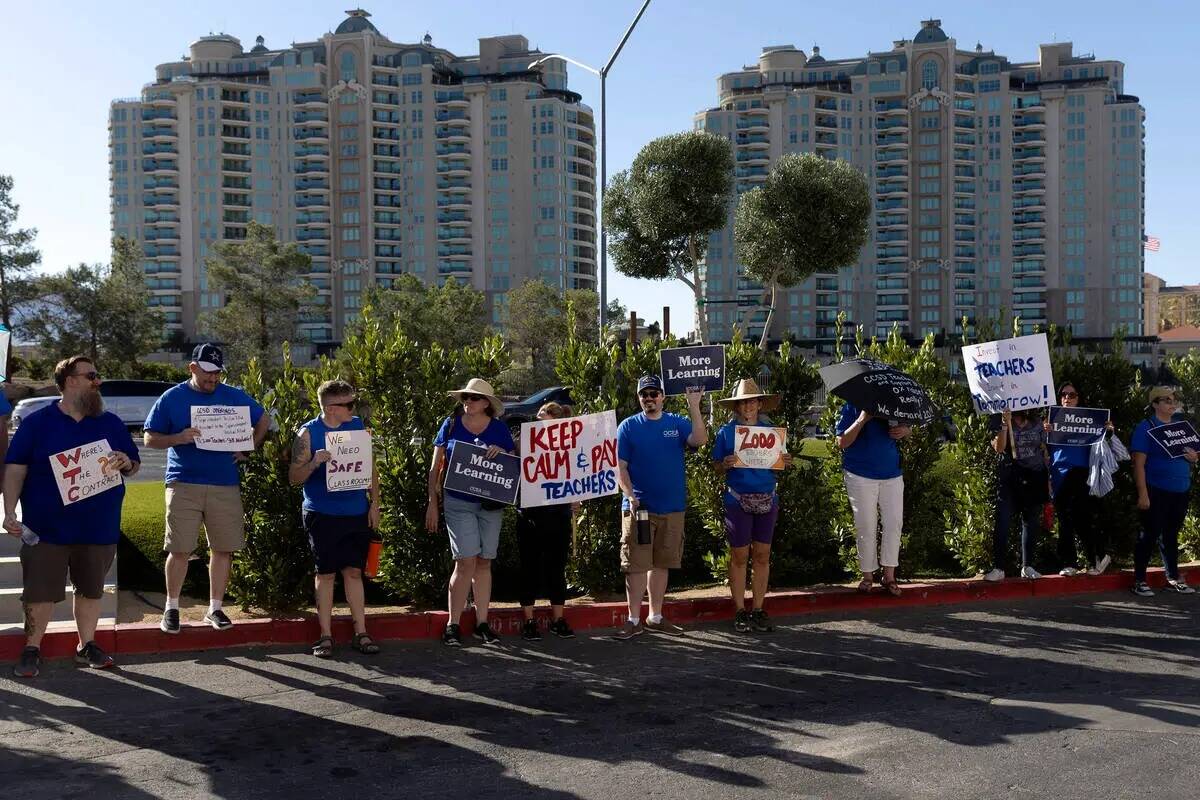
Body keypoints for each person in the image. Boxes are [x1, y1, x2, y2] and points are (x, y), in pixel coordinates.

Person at [5, 356, 140, 677]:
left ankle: (87, 645)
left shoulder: (110, 423)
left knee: (91, 589)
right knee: (39, 592)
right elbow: (15, 468)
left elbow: (133, 464)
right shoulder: (37, 423)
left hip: (99, 527)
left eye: (97, 376)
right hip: (46, 528)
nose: (98, 382)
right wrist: (10, 510)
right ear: (70, 381)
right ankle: (32, 647)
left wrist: (125, 461)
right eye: (91, 376)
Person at [143, 343, 270, 634]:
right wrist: (179, 437)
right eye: (208, 373)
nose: (213, 380)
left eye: (217, 374)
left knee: (223, 549)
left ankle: (215, 608)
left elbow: (263, 419)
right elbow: (150, 438)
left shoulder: (234, 396)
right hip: (183, 482)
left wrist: (248, 449)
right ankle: (171, 609)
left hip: (224, 483)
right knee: (179, 549)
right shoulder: (172, 398)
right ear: (193, 368)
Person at [288, 380, 381, 658]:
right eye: (348, 404)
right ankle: (325, 636)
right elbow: (294, 477)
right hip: (322, 514)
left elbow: (370, 467)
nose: (354, 408)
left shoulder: (356, 428)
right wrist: (314, 461)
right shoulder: (308, 434)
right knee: (325, 574)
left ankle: (360, 632)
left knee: (354, 572)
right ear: (331, 408)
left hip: (355, 512)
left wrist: (375, 503)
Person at [613, 375, 707, 640]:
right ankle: (633, 620)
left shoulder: (677, 423)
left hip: (672, 508)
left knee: (662, 563)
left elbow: (699, 440)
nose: (649, 399)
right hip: (639, 509)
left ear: (663, 397)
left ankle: (655, 617)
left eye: (654, 394)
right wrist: (629, 494)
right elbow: (620, 467)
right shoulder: (628, 427)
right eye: (644, 394)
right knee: (636, 565)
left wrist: (694, 405)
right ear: (639, 398)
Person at [425, 378, 515, 647]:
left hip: (489, 503)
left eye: (474, 398)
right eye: (465, 397)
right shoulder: (450, 425)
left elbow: (512, 466)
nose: (467, 402)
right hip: (458, 500)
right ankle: (453, 624)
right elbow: (435, 467)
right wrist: (432, 501)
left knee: (485, 561)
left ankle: (482, 623)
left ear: (486, 403)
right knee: (465, 561)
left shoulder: (499, 429)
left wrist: (501, 453)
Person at [712, 378, 792, 633]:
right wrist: (723, 463)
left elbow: (779, 462)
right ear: (737, 406)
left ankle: (758, 609)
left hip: (768, 499)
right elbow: (715, 466)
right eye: (743, 402)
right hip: (737, 499)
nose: (748, 406)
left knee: (762, 555)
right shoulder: (726, 433)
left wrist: (785, 460)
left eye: (752, 401)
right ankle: (739, 611)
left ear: (759, 404)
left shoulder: (771, 432)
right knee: (739, 556)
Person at [516, 402, 576, 642]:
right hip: (529, 514)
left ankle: (558, 619)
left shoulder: (568, 443)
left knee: (556, 568)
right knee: (529, 567)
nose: (539, 418)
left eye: (544, 415)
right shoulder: (526, 437)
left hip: (558, 514)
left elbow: (577, 472)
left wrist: (576, 498)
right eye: (538, 415)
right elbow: (515, 453)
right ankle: (529, 621)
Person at [836, 402, 910, 596]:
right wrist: (862, 419)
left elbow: (906, 430)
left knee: (894, 523)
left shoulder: (892, 404)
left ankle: (889, 576)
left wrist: (905, 430)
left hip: (892, 473)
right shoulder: (852, 405)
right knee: (866, 525)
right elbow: (841, 442)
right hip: (860, 473)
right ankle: (867, 576)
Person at [1130, 387, 1198, 596]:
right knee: (1148, 535)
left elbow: (1195, 456)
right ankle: (1139, 580)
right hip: (1156, 489)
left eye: (1173, 399)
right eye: (1166, 400)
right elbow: (1138, 464)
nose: (1171, 403)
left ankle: (1172, 577)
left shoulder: (1180, 427)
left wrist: (1194, 458)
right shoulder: (1146, 427)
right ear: (1155, 404)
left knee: (1170, 536)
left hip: (1181, 489)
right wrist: (1143, 494)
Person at [1047, 383, 1114, 577]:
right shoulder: (1051, 419)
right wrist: (1046, 431)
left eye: (1072, 394)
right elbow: (1045, 449)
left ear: (1079, 398)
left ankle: (1073, 563)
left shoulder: (1090, 420)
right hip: (1058, 474)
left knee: (1072, 518)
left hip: (1079, 471)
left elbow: (1104, 440)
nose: (1067, 397)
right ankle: (1097, 557)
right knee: (1075, 519)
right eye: (1064, 394)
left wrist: (1107, 430)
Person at [985, 409, 1049, 581]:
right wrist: (1005, 424)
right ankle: (999, 568)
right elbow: (999, 448)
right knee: (1003, 520)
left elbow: (1045, 448)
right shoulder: (998, 417)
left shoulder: (1037, 420)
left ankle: (1028, 566)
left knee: (1031, 522)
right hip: (1010, 478)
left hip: (1035, 476)